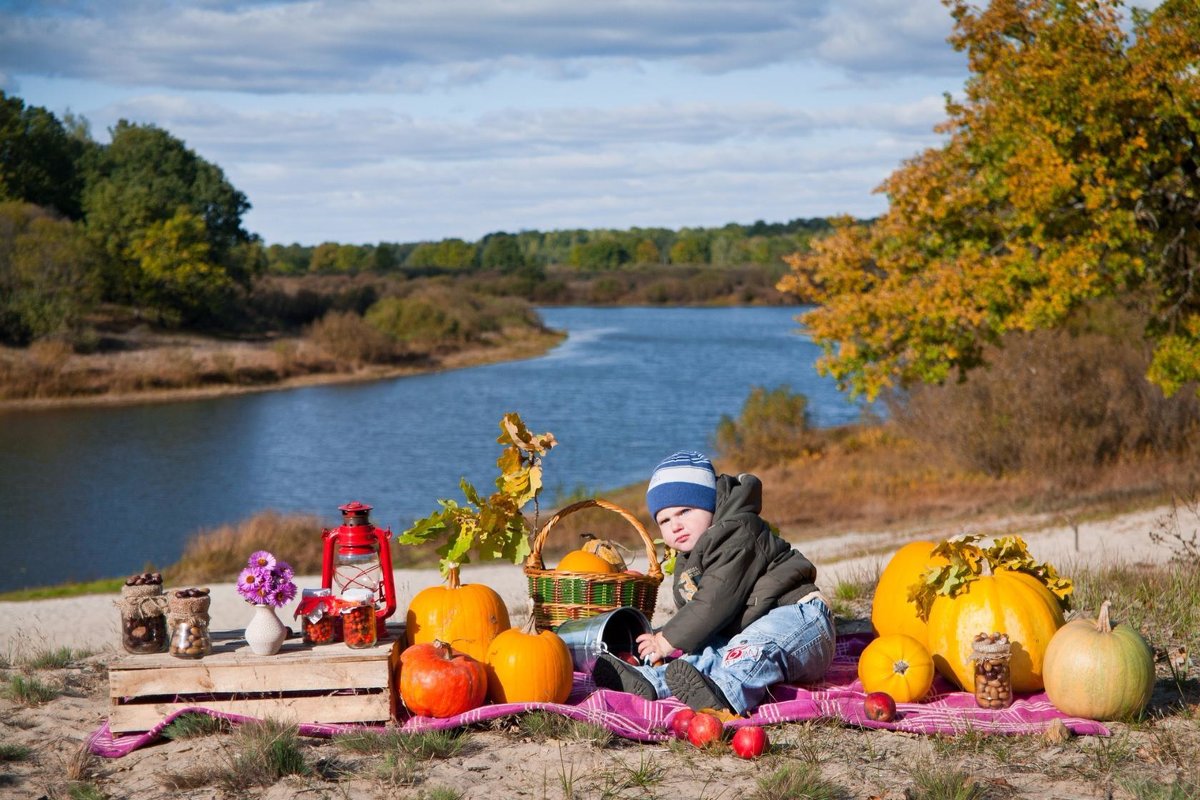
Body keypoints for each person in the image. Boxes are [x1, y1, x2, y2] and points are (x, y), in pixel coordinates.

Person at [591, 451, 836, 715]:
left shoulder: (738, 531)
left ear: (710, 504)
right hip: (749, 627)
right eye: (664, 520)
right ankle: (655, 681)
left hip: (800, 619)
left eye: (684, 511)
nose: (675, 525)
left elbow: (714, 601)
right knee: (709, 651)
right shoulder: (693, 552)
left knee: (755, 648)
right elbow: (694, 606)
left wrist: (667, 639)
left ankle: (725, 693)